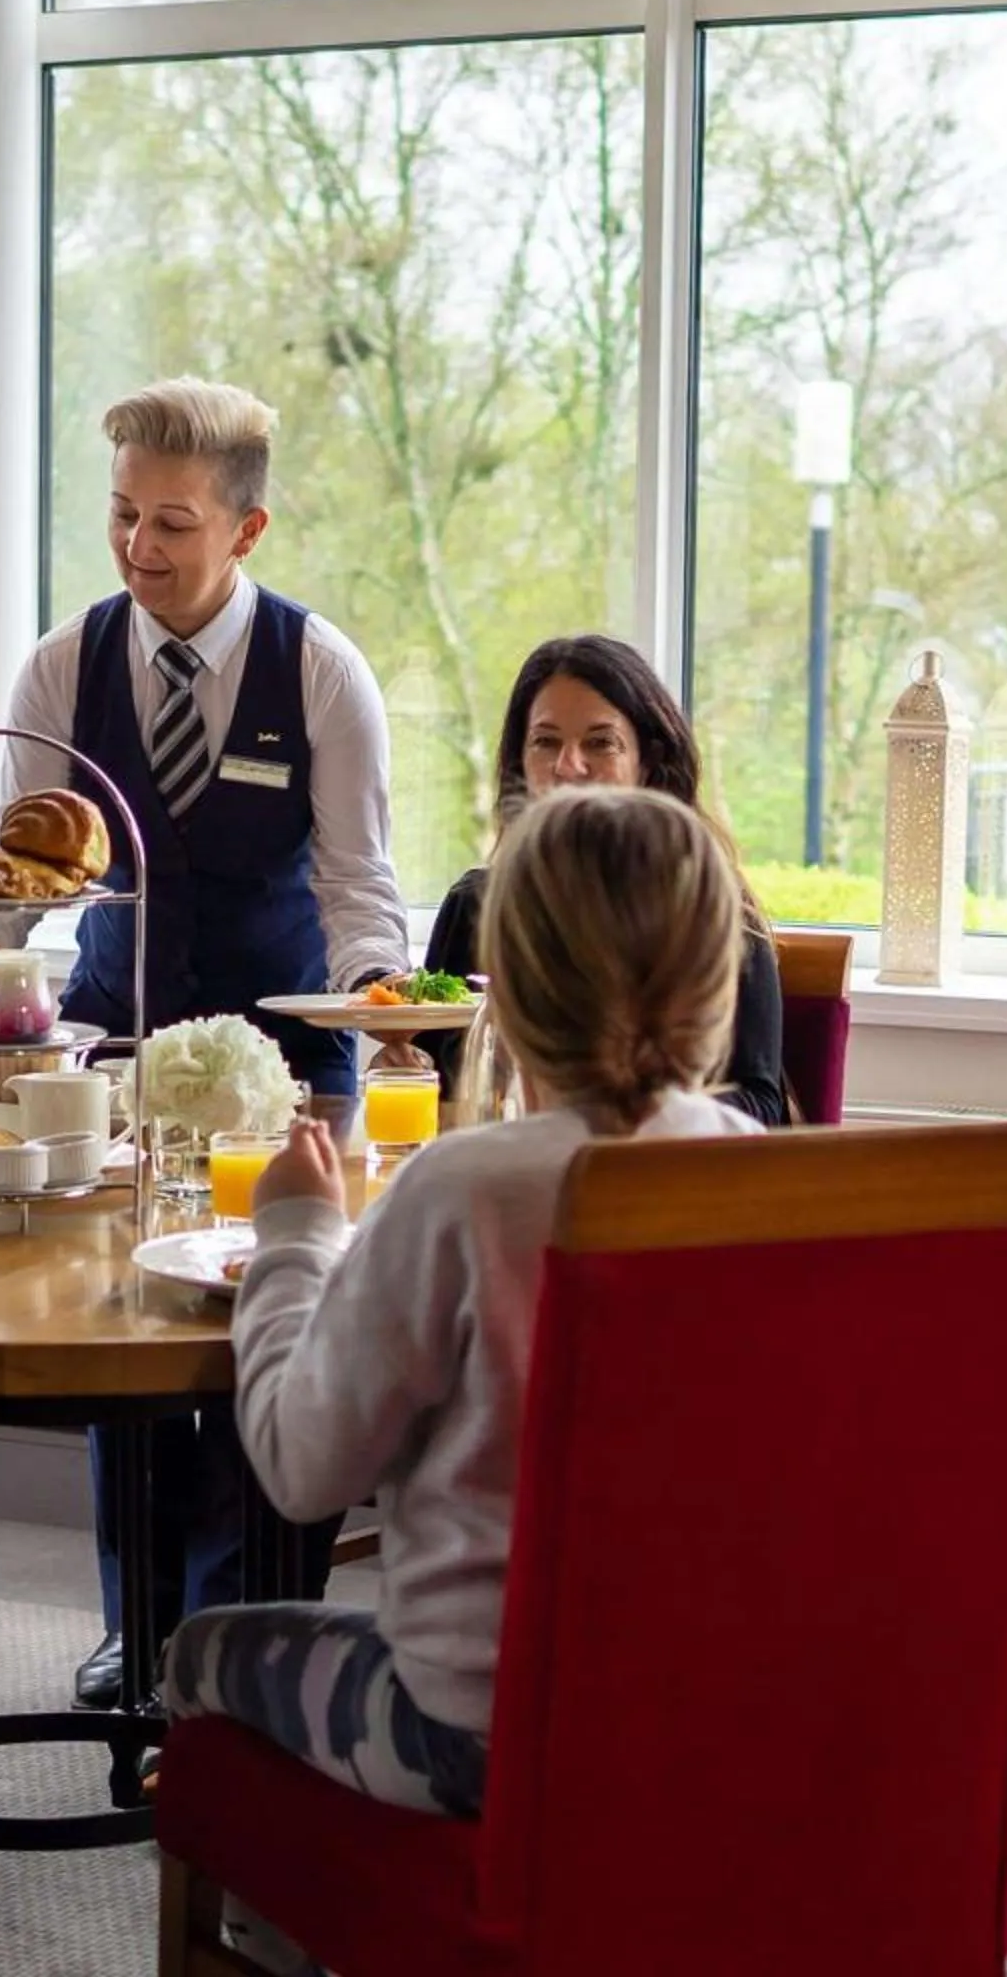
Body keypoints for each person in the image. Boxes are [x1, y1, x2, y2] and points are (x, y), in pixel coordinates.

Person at [161, 787, 763, 1844]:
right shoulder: (777, 1187)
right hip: (717, 1711)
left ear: (513, 990)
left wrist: (297, 1237)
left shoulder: (464, 1189)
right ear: (720, 985)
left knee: (199, 1650)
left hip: (478, 1737)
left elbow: (303, 1471)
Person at [0, 379, 410, 1710]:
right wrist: (11, 1024)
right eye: (122, 516)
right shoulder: (62, 667)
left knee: (254, 1334)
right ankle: (140, 1626)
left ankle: (245, 1634)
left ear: (249, 528)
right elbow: (30, 888)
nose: (138, 548)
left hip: (295, 1072)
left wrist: (385, 1021)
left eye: (171, 521)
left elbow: (358, 888)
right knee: (130, 1341)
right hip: (122, 1063)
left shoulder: (321, 671)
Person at [407, 633, 789, 1128]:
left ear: (647, 763)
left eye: (600, 743)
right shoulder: (474, 907)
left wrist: (616, 1120)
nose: (568, 766)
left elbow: (765, 1107)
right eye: (545, 742)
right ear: (519, 764)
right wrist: (407, 1071)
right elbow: (439, 1089)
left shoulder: (711, 911)